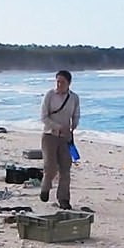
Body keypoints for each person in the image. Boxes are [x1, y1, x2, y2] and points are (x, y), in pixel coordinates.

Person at [39, 70, 80, 209]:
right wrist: (57, 127)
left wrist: (72, 127)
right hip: (49, 135)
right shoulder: (49, 95)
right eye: (57, 81)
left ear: (69, 83)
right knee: (50, 167)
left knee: (65, 168)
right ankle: (45, 187)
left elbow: (76, 115)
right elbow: (43, 117)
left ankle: (63, 199)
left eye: (62, 82)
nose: (59, 84)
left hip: (66, 137)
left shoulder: (74, 98)